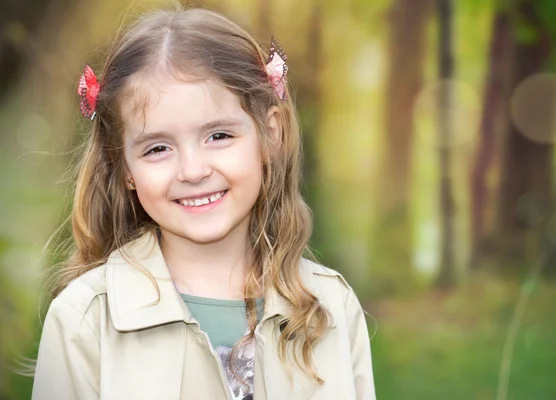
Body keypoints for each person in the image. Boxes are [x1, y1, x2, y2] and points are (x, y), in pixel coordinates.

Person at [32, 6, 375, 400]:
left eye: (219, 136)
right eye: (158, 148)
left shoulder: (330, 306)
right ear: (123, 165)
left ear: (270, 135)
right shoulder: (84, 320)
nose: (192, 171)